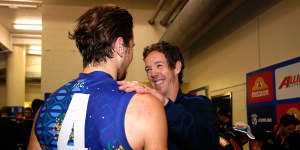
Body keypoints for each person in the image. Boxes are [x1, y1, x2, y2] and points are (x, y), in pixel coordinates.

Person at [28, 5, 167, 150]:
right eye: (131, 46)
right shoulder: (147, 108)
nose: (131, 55)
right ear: (120, 46)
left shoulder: (46, 109)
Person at [118, 41, 219, 150]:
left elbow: (209, 142)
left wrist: (166, 104)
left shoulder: (199, 103)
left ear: (177, 67)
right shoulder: (149, 109)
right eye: (148, 69)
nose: (153, 74)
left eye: (159, 65)